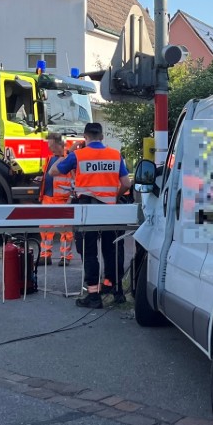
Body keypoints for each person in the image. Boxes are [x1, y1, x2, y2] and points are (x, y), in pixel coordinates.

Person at [56, 123, 129, 308]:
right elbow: (126, 184)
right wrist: (114, 196)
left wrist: (69, 151)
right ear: (102, 136)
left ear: (85, 137)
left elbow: (52, 172)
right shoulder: (115, 155)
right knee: (112, 249)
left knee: (89, 252)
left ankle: (94, 296)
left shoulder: (78, 155)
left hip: (86, 210)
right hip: (109, 210)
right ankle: (115, 289)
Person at [38, 132, 75, 265]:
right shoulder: (50, 158)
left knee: (65, 230)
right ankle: (45, 255)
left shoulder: (69, 158)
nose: (49, 148)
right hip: (48, 198)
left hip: (63, 200)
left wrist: (70, 197)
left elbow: (74, 180)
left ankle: (65, 257)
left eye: (51, 145)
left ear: (59, 144)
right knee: (45, 229)